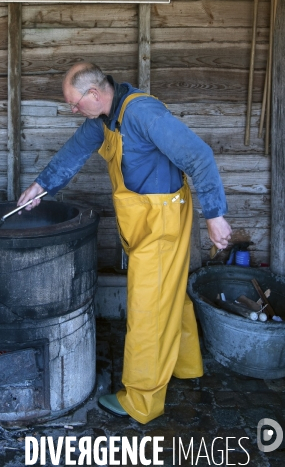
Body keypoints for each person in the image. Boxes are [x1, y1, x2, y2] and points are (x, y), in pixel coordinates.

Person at [18, 61, 232, 424]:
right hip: (144, 221)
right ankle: (186, 364)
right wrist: (40, 187)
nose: (72, 110)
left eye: (74, 103)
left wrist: (215, 215)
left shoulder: (142, 113)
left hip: (162, 221)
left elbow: (199, 156)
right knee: (170, 292)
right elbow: (73, 153)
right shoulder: (103, 120)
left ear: (94, 94)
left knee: (147, 308)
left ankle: (142, 399)